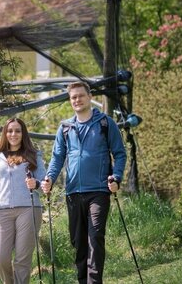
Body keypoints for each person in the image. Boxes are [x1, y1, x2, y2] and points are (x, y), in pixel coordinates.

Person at [41, 81, 127, 284]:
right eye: (73, 97)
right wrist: (49, 178)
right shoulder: (65, 127)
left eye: (81, 95)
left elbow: (120, 154)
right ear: (70, 101)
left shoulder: (105, 123)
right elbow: (57, 157)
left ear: (89, 97)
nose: (77, 100)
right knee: (78, 242)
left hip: (99, 191)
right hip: (73, 193)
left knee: (95, 237)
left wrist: (116, 177)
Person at [0, 118, 46, 284]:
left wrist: (36, 184)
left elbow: (44, 185)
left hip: (29, 209)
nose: (13, 134)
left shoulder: (34, 155)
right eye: (10, 131)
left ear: (23, 133)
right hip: (3, 211)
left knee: (22, 260)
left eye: (17, 131)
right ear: (5, 134)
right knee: (0, 258)